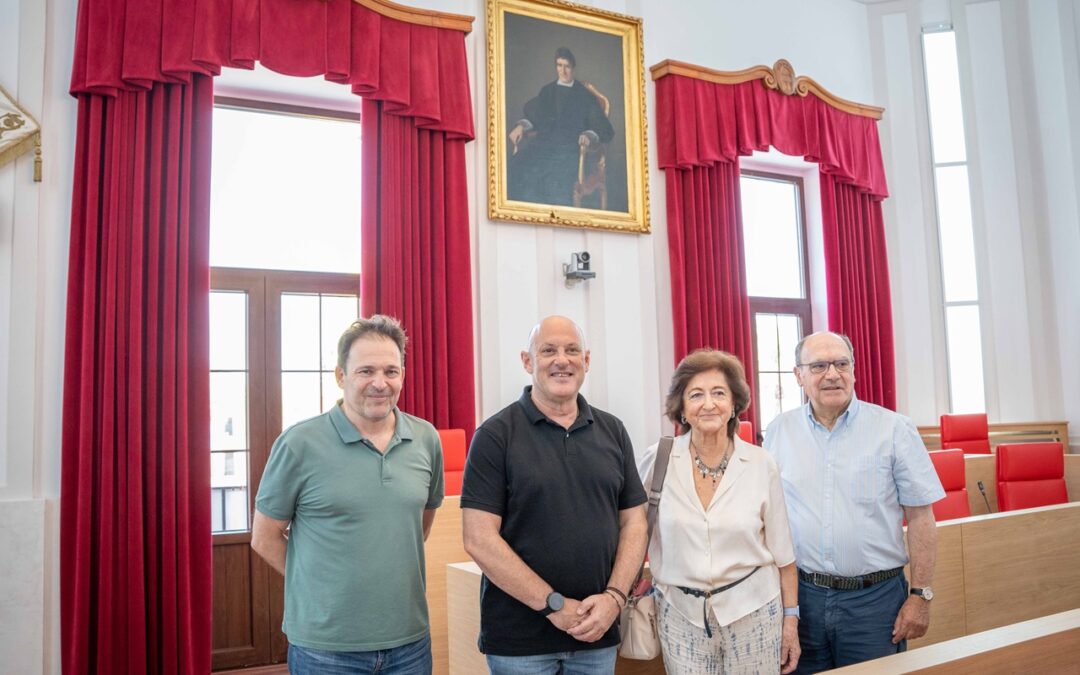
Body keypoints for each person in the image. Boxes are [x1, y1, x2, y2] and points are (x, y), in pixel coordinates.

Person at [251, 315, 445, 675]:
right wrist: (319, 586)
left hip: (409, 643)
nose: (380, 383)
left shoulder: (426, 439)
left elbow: (419, 527)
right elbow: (264, 538)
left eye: (391, 371)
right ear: (341, 376)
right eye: (365, 371)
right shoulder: (299, 443)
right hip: (325, 649)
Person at [461, 315, 648, 674]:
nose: (561, 360)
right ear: (528, 361)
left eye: (572, 350)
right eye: (548, 350)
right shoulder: (495, 435)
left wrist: (615, 598)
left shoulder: (613, 431)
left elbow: (635, 522)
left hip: (598, 635)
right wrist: (553, 605)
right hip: (520, 644)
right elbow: (478, 538)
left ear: (587, 361)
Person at [764, 331, 945, 673]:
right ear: (798, 375)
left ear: (854, 370)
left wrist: (921, 596)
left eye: (841, 363)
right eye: (818, 365)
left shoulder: (894, 429)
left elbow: (921, 517)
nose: (832, 374)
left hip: (875, 603)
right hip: (802, 599)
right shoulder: (778, 432)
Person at [637, 349, 801, 674]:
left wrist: (790, 622)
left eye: (719, 393)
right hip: (680, 614)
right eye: (696, 394)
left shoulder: (760, 463)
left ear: (734, 404)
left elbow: (784, 556)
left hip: (753, 611)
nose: (708, 404)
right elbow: (632, 531)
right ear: (682, 407)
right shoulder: (658, 459)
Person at [507, 47, 615, 207]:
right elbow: (534, 116)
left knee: (554, 180)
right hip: (543, 146)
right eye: (559, 65)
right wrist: (521, 126)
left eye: (567, 66)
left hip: (569, 151)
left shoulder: (584, 95)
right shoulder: (547, 91)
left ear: (573, 68)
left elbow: (602, 127)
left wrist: (589, 134)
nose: (563, 71)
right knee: (515, 167)